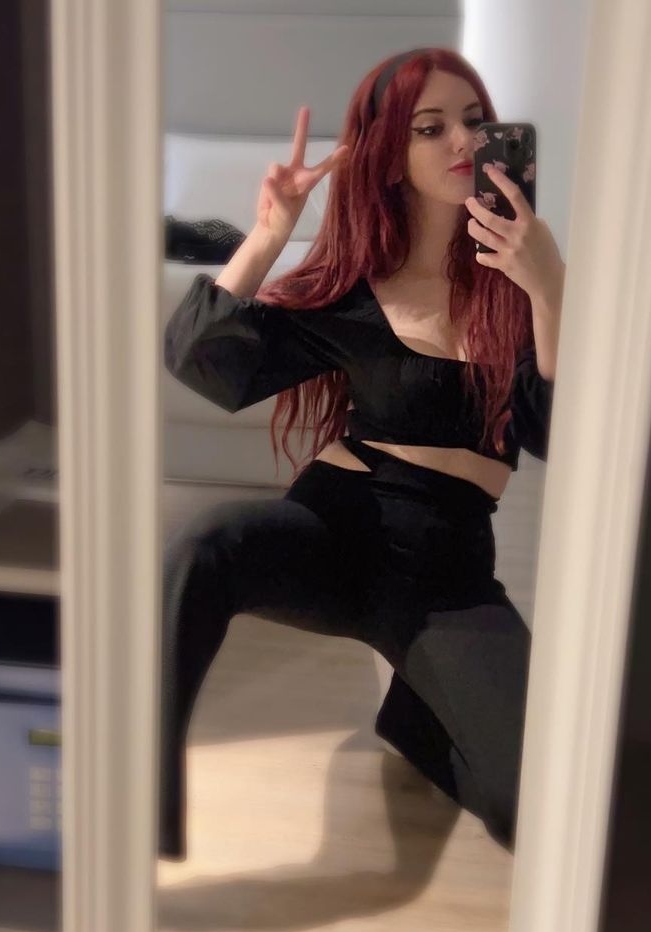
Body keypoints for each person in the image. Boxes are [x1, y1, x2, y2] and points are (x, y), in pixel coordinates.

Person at [160, 47, 564, 861]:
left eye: (475, 121)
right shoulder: (354, 291)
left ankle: (414, 719)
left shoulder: (520, 285)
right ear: (389, 155)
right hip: (337, 531)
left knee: (542, 809)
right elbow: (205, 362)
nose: (462, 140)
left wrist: (550, 286)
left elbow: (551, 432)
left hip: (449, 576)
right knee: (205, 546)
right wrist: (268, 233)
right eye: (430, 127)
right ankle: (138, 806)